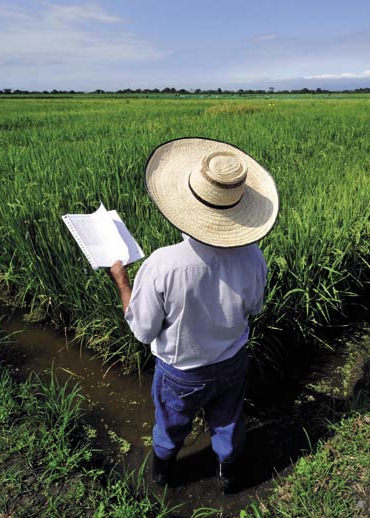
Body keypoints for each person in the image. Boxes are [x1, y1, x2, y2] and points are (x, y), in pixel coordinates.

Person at [108, 137, 279, 493]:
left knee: (171, 424)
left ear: (184, 204)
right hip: (232, 362)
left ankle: (164, 475)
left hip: (181, 372)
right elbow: (255, 309)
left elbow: (142, 330)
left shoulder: (162, 265)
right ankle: (229, 478)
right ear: (238, 209)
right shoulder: (253, 257)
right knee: (228, 421)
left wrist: (123, 283)